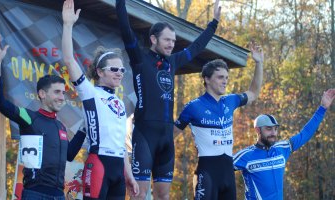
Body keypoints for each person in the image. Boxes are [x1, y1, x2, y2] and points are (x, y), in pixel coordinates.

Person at [115, 0, 222, 198]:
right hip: (145, 134)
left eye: (173, 41)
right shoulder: (139, 57)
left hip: (166, 137)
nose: (172, 44)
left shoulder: (173, 61)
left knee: (163, 196)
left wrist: (213, 23)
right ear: (154, 39)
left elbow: (197, 47)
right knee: (139, 194)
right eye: (167, 40)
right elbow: (124, 26)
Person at [0, 34, 86, 200]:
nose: (62, 97)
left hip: (59, 196)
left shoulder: (61, 127)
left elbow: (69, 155)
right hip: (35, 194)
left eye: (63, 93)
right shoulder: (30, 117)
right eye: (57, 92)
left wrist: (84, 128)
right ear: (42, 94)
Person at [61, 0, 139, 199]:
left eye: (122, 70)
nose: (119, 73)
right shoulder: (90, 92)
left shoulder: (120, 103)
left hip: (118, 170)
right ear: (99, 72)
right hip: (98, 163)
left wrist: (128, 174)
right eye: (114, 69)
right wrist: (68, 25)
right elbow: (69, 60)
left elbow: (121, 144)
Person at [173, 42, 263, 200]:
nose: (225, 81)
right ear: (207, 79)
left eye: (227, 78)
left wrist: (259, 63)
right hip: (207, 172)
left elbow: (254, 93)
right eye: (220, 77)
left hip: (228, 172)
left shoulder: (231, 101)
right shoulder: (193, 107)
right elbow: (169, 136)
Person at [233, 89, 335, 200]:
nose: (273, 133)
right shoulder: (245, 156)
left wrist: (322, 108)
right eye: (268, 129)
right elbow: (217, 170)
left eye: (275, 129)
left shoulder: (282, 148)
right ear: (258, 130)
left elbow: (305, 134)